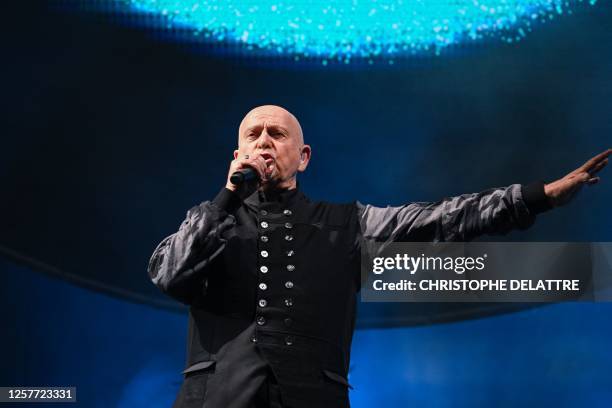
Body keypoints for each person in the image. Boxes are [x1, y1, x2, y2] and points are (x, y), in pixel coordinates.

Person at [147, 105, 610, 408]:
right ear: (237, 152)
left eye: (277, 134)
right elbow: (170, 273)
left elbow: (440, 219)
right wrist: (227, 196)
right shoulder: (209, 219)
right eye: (253, 135)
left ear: (303, 156)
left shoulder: (348, 223)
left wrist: (538, 196)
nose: (264, 142)